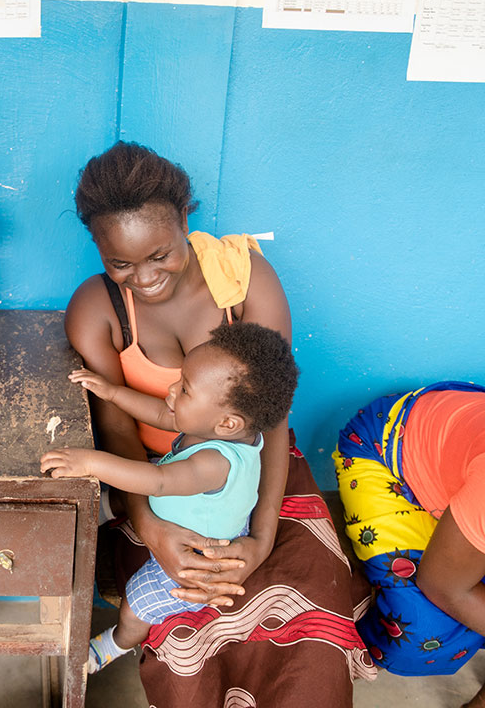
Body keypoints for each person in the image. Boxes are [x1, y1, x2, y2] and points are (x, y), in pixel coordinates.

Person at [66, 141, 374, 705]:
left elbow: (273, 419)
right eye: (121, 263)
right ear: (98, 249)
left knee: (306, 618)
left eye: (160, 254)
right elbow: (115, 433)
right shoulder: (98, 310)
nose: (144, 277)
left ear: (185, 220)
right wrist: (154, 530)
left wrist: (260, 535)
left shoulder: (243, 280)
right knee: (191, 629)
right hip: (153, 485)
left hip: (260, 469)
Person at [42, 321, 298, 674]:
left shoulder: (215, 462)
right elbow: (163, 414)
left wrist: (88, 461)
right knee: (131, 480)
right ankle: (106, 508)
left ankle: (112, 646)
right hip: (185, 504)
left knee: (136, 605)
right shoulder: (212, 424)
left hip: (195, 558)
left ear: (227, 424)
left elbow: (158, 481)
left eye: (185, 389)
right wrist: (113, 393)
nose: (172, 389)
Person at [335, 382, 485, 708]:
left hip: (464, 470)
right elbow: (443, 585)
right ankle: (354, 633)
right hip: (387, 448)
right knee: (422, 631)